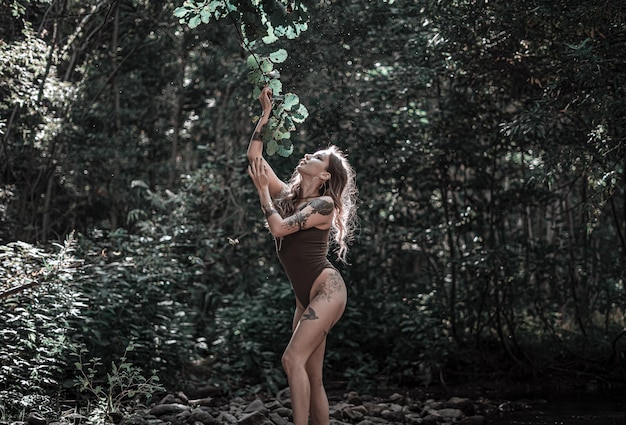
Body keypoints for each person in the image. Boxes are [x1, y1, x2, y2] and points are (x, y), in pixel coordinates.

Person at [247, 86, 358, 425]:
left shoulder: (323, 204)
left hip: (327, 290)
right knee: (311, 375)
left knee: (291, 360)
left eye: (318, 157)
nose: (309, 155)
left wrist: (264, 194)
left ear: (325, 175)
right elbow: (254, 160)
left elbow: (279, 229)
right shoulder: (291, 196)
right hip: (304, 298)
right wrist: (265, 116)